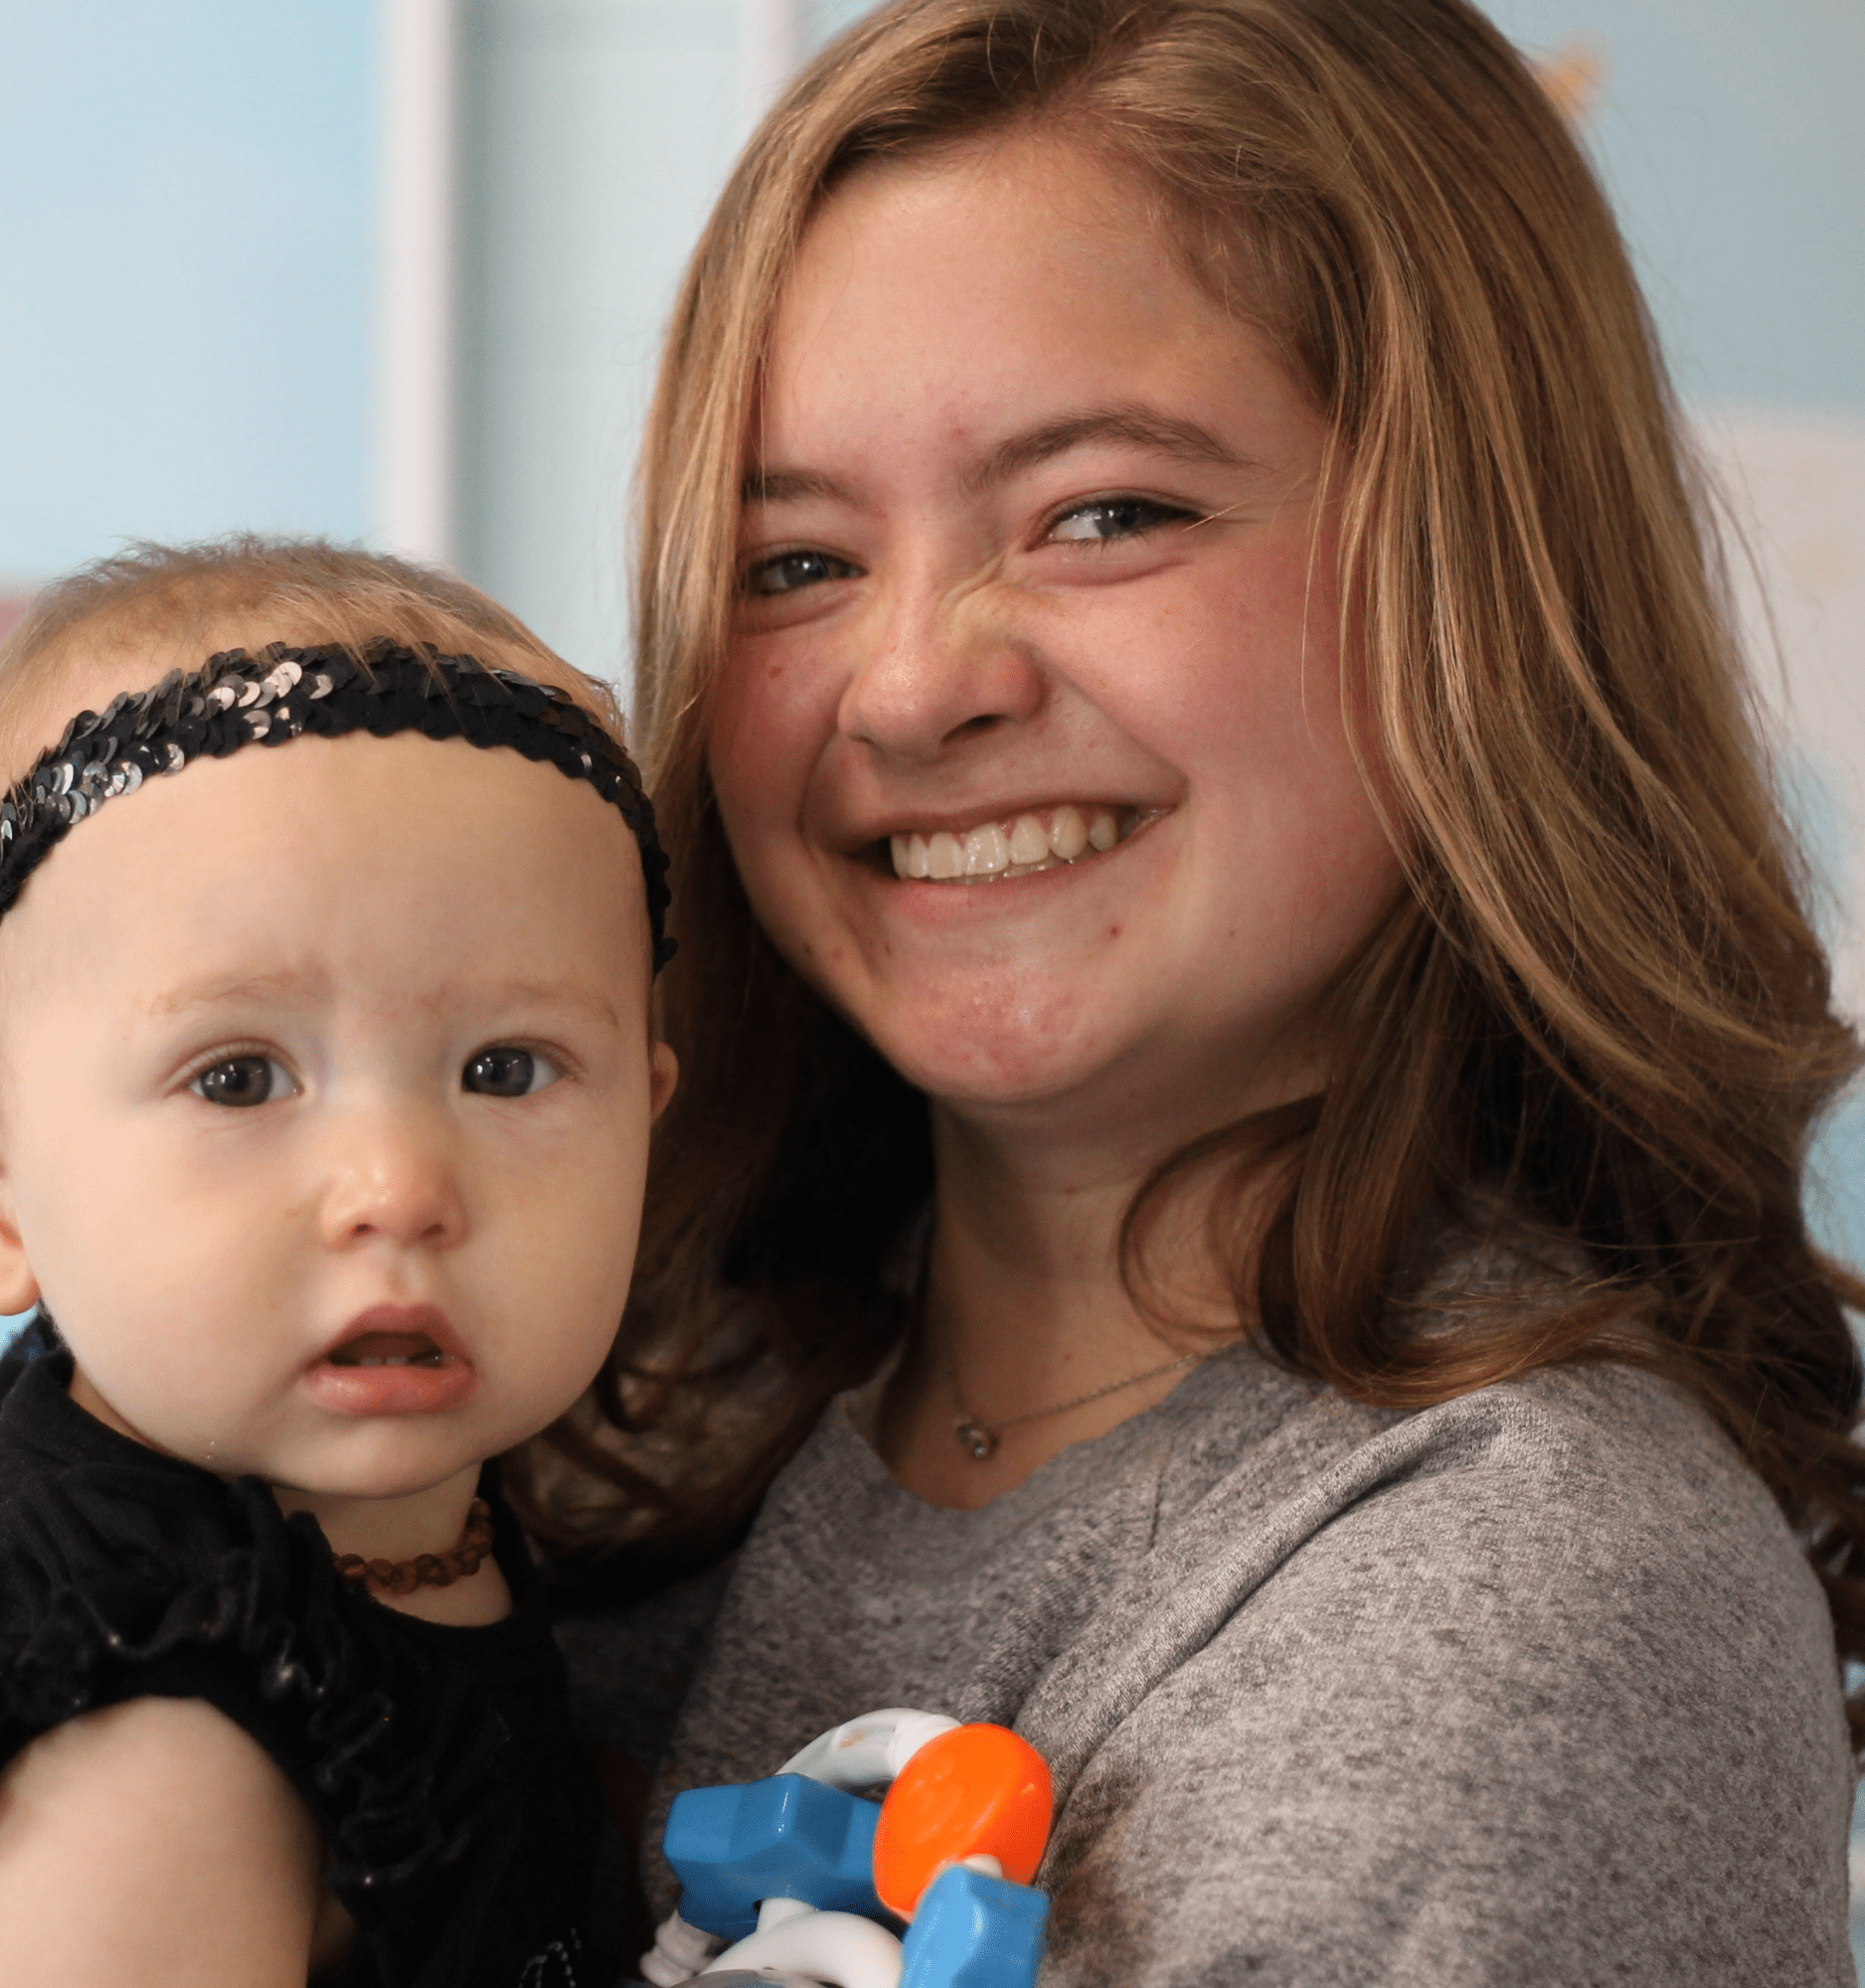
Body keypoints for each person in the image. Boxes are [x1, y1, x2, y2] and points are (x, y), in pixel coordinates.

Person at [517, 1, 1865, 1981]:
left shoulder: (1519, 1597)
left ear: (1477, 577)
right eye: (794, 560)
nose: (910, 683)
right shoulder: (579, 1430)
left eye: (1104, 515)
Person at [0, 539, 678, 1988]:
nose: (399, 1190)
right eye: (239, 1080)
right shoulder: (150, 1752)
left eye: (506, 1067)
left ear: (648, 1133)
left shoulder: (401, 1508)